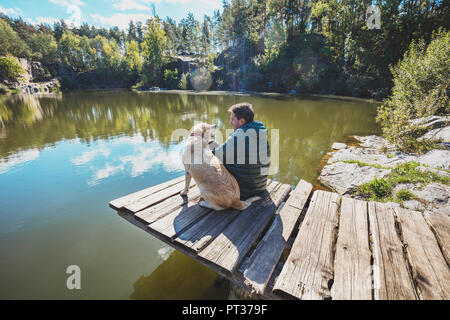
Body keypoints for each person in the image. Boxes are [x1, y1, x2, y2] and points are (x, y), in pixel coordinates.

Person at [211, 102, 271, 200]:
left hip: (243, 190)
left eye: (232, 120)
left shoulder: (240, 136)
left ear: (242, 121)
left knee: (210, 155)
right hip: (260, 187)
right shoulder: (260, 132)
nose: (230, 122)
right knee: (218, 148)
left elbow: (214, 156)